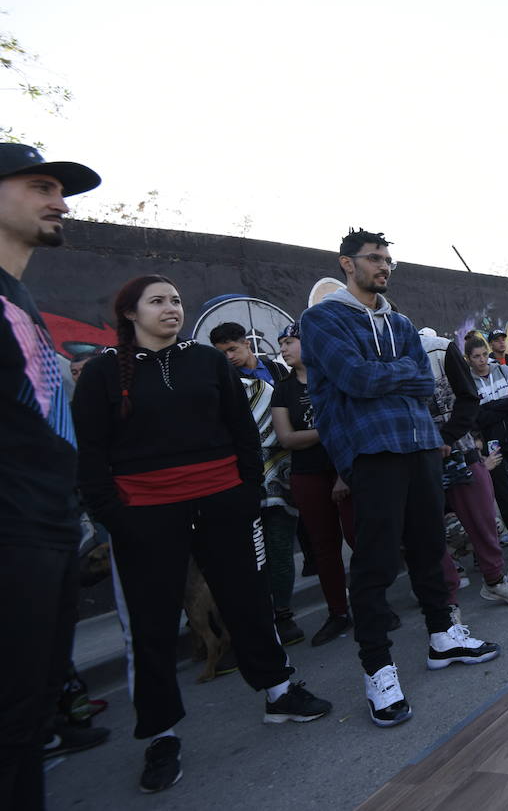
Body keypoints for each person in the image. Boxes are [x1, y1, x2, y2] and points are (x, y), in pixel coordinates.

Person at [74, 275, 333, 793]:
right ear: (130, 313)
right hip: (143, 517)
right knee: (149, 626)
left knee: (249, 601)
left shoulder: (208, 360)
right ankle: (160, 734)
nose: (171, 307)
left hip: (223, 506)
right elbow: (92, 454)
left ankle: (279, 692)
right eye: (157, 301)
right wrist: (115, 516)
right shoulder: (103, 372)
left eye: (175, 299)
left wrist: (243, 493)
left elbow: (242, 432)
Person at [300, 229, 498, 730]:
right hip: (370, 449)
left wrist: (391, 375)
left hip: (418, 443)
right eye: (374, 259)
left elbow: (425, 380)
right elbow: (355, 379)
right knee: (376, 562)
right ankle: (378, 670)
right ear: (348, 264)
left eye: (389, 259)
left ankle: (442, 637)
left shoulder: (402, 320)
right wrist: (399, 376)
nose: (384, 267)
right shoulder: (321, 319)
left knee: (431, 546)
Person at [0, 144, 104, 809]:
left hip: (50, 531)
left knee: (32, 723)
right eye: (41, 186)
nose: (60, 202)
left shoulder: (19, 297)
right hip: (13, 537)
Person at [211, 321, 301, 645]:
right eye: (222, 354)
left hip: (286, 469)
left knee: (279, 545)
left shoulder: (278, 373)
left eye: (232, 349)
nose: (229, 358)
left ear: (246, 344)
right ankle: (263, 619)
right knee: (252, 552)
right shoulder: (221, 383)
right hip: (243, 475)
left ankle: (284, 615)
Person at [270, 324, 355, 647]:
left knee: (358, 538)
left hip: (345, 469)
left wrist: (343, 474)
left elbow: (353, 426)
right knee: (324, 549)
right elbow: (287, 438)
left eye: (289, 342)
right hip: (307, 475)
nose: (283, 348)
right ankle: (338, 613)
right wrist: (329, 430)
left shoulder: (334, 378)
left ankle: (374, 604)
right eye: (280, 344)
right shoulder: (283, 388)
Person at [460, 335, 508, 546]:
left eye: (483, 355)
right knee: (503, 493)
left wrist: (489, 407)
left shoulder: (503, 370)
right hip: (492, 446)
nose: (481, 360)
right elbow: (477, 417)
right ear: (468, 359)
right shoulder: (468, 383)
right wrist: (503, 405)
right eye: (476, 357)